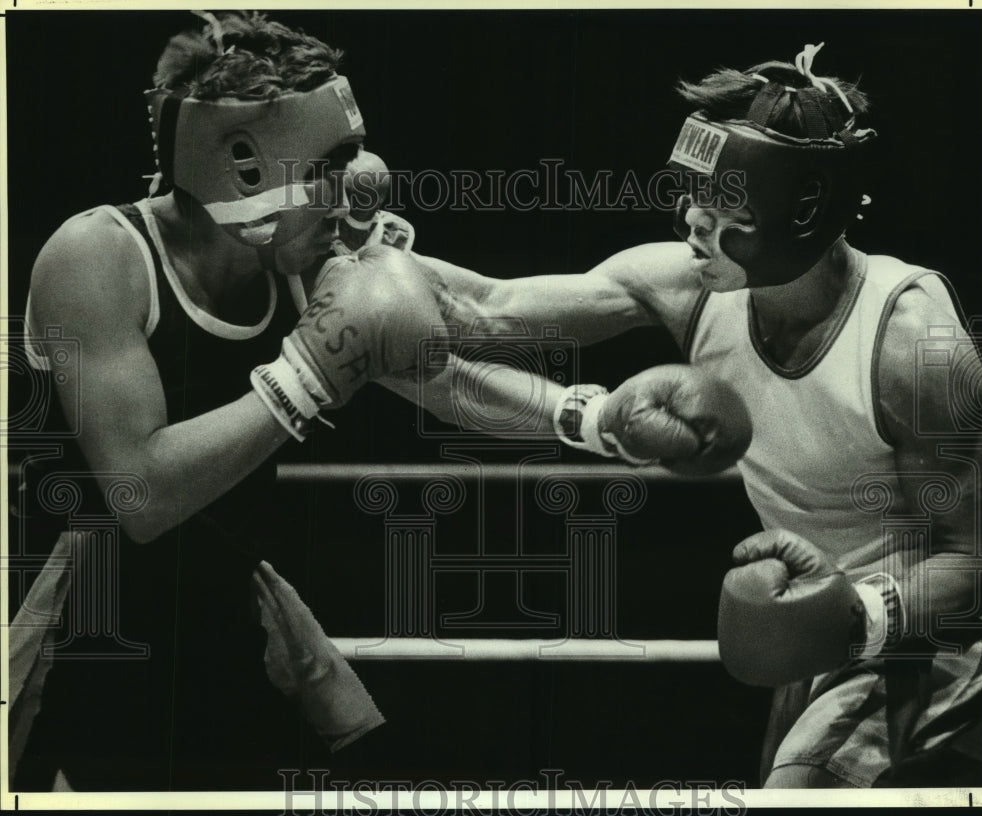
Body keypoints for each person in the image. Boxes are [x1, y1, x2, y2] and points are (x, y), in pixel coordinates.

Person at [10, 11, 751, 792]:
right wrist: (308, 373)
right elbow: (140, 492)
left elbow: (442, 364)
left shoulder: (294, 258)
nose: (361, 182)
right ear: (245, 167)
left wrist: (590, 419)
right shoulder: (96, 255)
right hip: (82, 635)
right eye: (332, 160)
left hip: (225, 623)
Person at [408, 43, 982, 788]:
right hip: (813, 632)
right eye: (693, 195)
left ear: (801, 211)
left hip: (929, 642)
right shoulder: (691, 286)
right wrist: (351, 247)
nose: (691, 221)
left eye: (725, 208)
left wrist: (861, 614)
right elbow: (484, 309)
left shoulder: (909, 347)